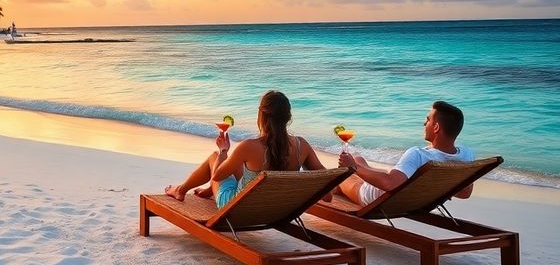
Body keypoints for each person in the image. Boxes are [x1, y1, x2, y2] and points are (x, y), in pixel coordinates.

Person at [164, 90, 328, 207]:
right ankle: (208, 192)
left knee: (215, 156)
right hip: (275, 209)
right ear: (288, 117)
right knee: (242, 166)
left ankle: (180, 190)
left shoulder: (249, 146)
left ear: (261, 115)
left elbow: (217, 176)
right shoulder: (301, 146)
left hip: (237, 207)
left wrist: (223, 150)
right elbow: (326, 190)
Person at [336, 100, 475, 205]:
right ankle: (355, 167)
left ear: (436, 127)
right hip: (418, 199)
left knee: (342, 177)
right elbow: (465, 193)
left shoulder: (418, 154)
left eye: (428, 120)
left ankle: (333, 190)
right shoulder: (466, 154)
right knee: (358, 159)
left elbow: (389, 184)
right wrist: (440, 188)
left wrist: (353, 167)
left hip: (380, 198)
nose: (424, 123)